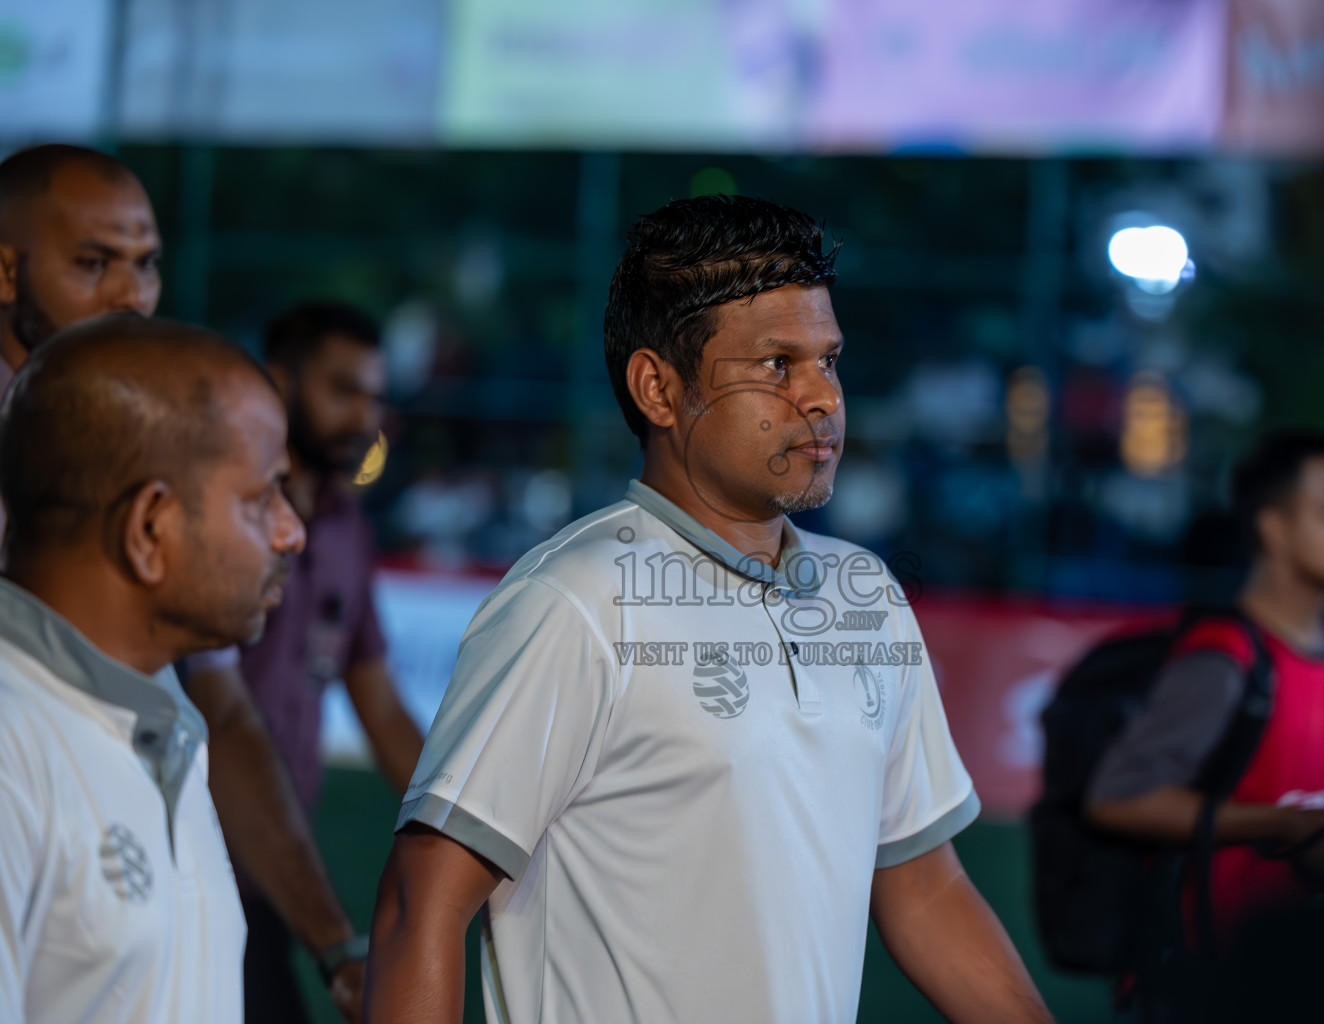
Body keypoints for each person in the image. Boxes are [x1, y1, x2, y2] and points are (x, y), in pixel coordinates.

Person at [364, 195, 1053, 1024]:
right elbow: (422, 905)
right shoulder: (575, 601)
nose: (822, 397)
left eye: (828, 361)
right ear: (659, 388)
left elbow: (924, 886)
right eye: (776, 365)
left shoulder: (865, 596)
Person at [0, 142, 369, 1016]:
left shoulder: (178, 717)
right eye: (94, 262)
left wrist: (336, 942)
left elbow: (226, 712)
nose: (132, 294)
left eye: (148, 264)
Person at [0, 315, 305, 1022]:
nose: (293, 530)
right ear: (149, 529)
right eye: (263, 497)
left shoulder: (165, 726)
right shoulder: (16, 743)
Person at [1085, 432, 1324, 960]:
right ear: (1275, 527)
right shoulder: (1223, 660)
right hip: (1209, 977)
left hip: (1307, 970)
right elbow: (1116, 799)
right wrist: (1286, 825)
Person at [232, 300, 425, 1023]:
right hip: (188, 857)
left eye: (375, 396)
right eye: (343, 390)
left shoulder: (350, 530)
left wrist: (479, 829)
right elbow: (217, 706)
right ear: (278, 381)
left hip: (275, 877)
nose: (364, 416)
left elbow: (380, 704)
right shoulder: (222, 510)